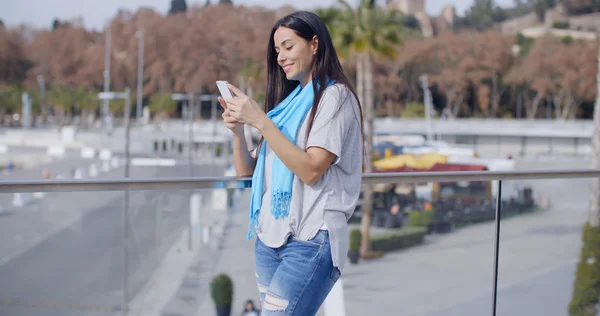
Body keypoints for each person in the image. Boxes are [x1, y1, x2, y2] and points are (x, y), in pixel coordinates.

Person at [218, 11, 364, 316]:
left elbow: (311, 169)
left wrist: (259, 120)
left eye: (288, 46)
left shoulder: (334, 98)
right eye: (277, 51)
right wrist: (238, 131)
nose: (281, 57)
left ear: (314, 44)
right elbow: (248, 173)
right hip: (270, 241)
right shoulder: (286, 108)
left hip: (312, 240)